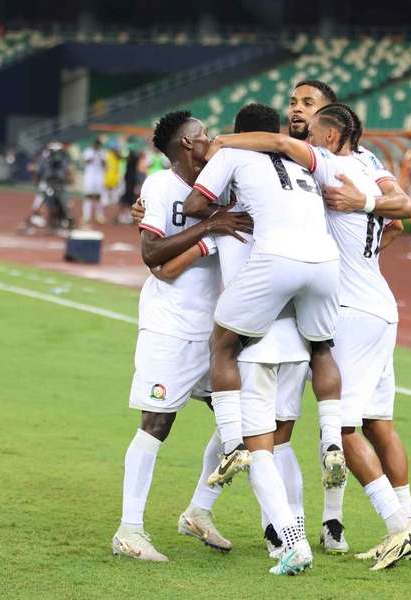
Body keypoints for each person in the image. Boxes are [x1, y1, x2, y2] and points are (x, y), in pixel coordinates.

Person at [207, 102, 411, 571]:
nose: (297, 119)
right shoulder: (367, 169)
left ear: (327, 136)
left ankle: (399, 527)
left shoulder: (324, 164)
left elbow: (283, 146)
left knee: (344, 431)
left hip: (349, 308)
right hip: (380, 303)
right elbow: (401, 217)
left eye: (307, 109)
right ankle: (345, 524)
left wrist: (224, 142)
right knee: (371, 421)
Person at [110, 111, 252, 564]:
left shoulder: (223, 183)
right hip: (170, 326)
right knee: (157, 424)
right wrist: (208, 228)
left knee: (242, 423)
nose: (211, 139)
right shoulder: (159, 186)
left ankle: (198, 511)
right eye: (204, 135)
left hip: (216, 332)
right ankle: (129, 530)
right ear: (188, 143)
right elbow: (152, 254)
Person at [80, 139, 106, 226]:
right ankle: (86, 216)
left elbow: (104, 164)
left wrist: (101, 158)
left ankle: (99, 215)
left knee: (98, 196)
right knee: (88, 195)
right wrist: (92, 157)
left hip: (99, 175)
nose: (97, 146)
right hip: (90, 176)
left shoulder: (102, 152)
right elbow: (85, 161)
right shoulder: (88, 151)